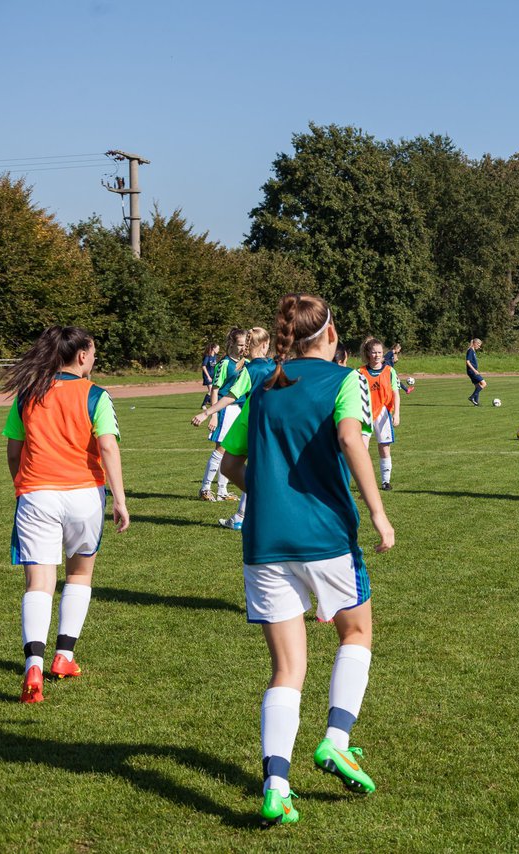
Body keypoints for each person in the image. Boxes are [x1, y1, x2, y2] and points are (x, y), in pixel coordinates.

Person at [217, 293, 393, 825]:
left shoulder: (265, 387)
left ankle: (276, 784)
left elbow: (229, 464)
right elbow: (350, 439)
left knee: (287, 667)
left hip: (264, 542)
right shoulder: (345, 381)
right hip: (325, 537)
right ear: (333, 335)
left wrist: (269, 496)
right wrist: (379, 513)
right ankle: (336, 739)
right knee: (356, 633)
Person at [1, 327, 130, 703]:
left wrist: (23, 486)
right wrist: (120, 500)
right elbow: (107, 446)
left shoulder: (28, 393)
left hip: (37, 494)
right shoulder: (96, 395)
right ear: (82, 357)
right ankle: (64, 656)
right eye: (93, 352)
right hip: (83, 496)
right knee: (79, 574)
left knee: (38, 584)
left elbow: (13, 451)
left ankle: (33, 668)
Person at [191, 328, 274, 529]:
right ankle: (241, 515)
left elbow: (230, 396)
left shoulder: (250, 370)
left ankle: (246, 514)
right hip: (272, 424)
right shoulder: (275, 365)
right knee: (256, 470)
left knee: (242, 468)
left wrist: (207, 413)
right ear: (264, 345)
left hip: (253, 424)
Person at [196, 329, 245, 503]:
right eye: (240, 344)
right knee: (221, 450)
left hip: (238, 409)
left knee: (230, 451)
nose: (243, 348)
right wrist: (214, 415)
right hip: (225, 409)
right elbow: (215, 390)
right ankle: (205, 488)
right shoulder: (224, 364)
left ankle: (222, 491)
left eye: (245, 344)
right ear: (231, 343)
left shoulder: (243, 362)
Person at [357, 338, 401, 491]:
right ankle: (364, 483)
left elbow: (396, 393)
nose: (377, 355)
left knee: (384, 447)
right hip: (365, 413)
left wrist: (397, 414)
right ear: (368, 353)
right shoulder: (360, 372)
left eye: (380, 352)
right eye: (374, 352)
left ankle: (385, 481)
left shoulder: (389, 371)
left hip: (383, 413)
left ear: (383, 354)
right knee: (362, 448)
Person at [465, 338, 486, 405]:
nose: (479, 347)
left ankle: (476, 403)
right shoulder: (470, 350)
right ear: (475, 343)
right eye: (479, 345)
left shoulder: (473, 351)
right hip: (472, 371)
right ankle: (472, 397)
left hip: (472, 371)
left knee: (478, 386)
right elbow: (467, 362)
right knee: (484, 384)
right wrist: (474, 370)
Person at [200, 343, 220, 409]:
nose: (218, 350)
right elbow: (203, 366)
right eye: (217, 348)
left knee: (215, 389)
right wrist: (208, 376)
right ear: (213, 349)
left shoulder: (215, 356)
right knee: (211, 390)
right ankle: (203, 405)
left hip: (213, 375)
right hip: (207, 375)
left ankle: (209, 401)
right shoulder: (207, 356)